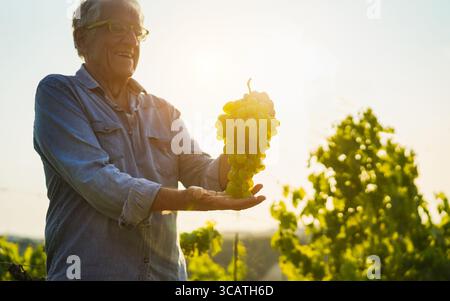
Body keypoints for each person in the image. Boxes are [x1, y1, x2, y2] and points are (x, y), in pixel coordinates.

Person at [33, 0, 265, 280]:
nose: (131, 40)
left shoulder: (165, 112)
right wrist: (185, 199)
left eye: (137, 31)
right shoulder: (59, 94)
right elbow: (98, 181)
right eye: (116, 27)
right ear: (82, 39)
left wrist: (239, 150)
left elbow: (202, 173)